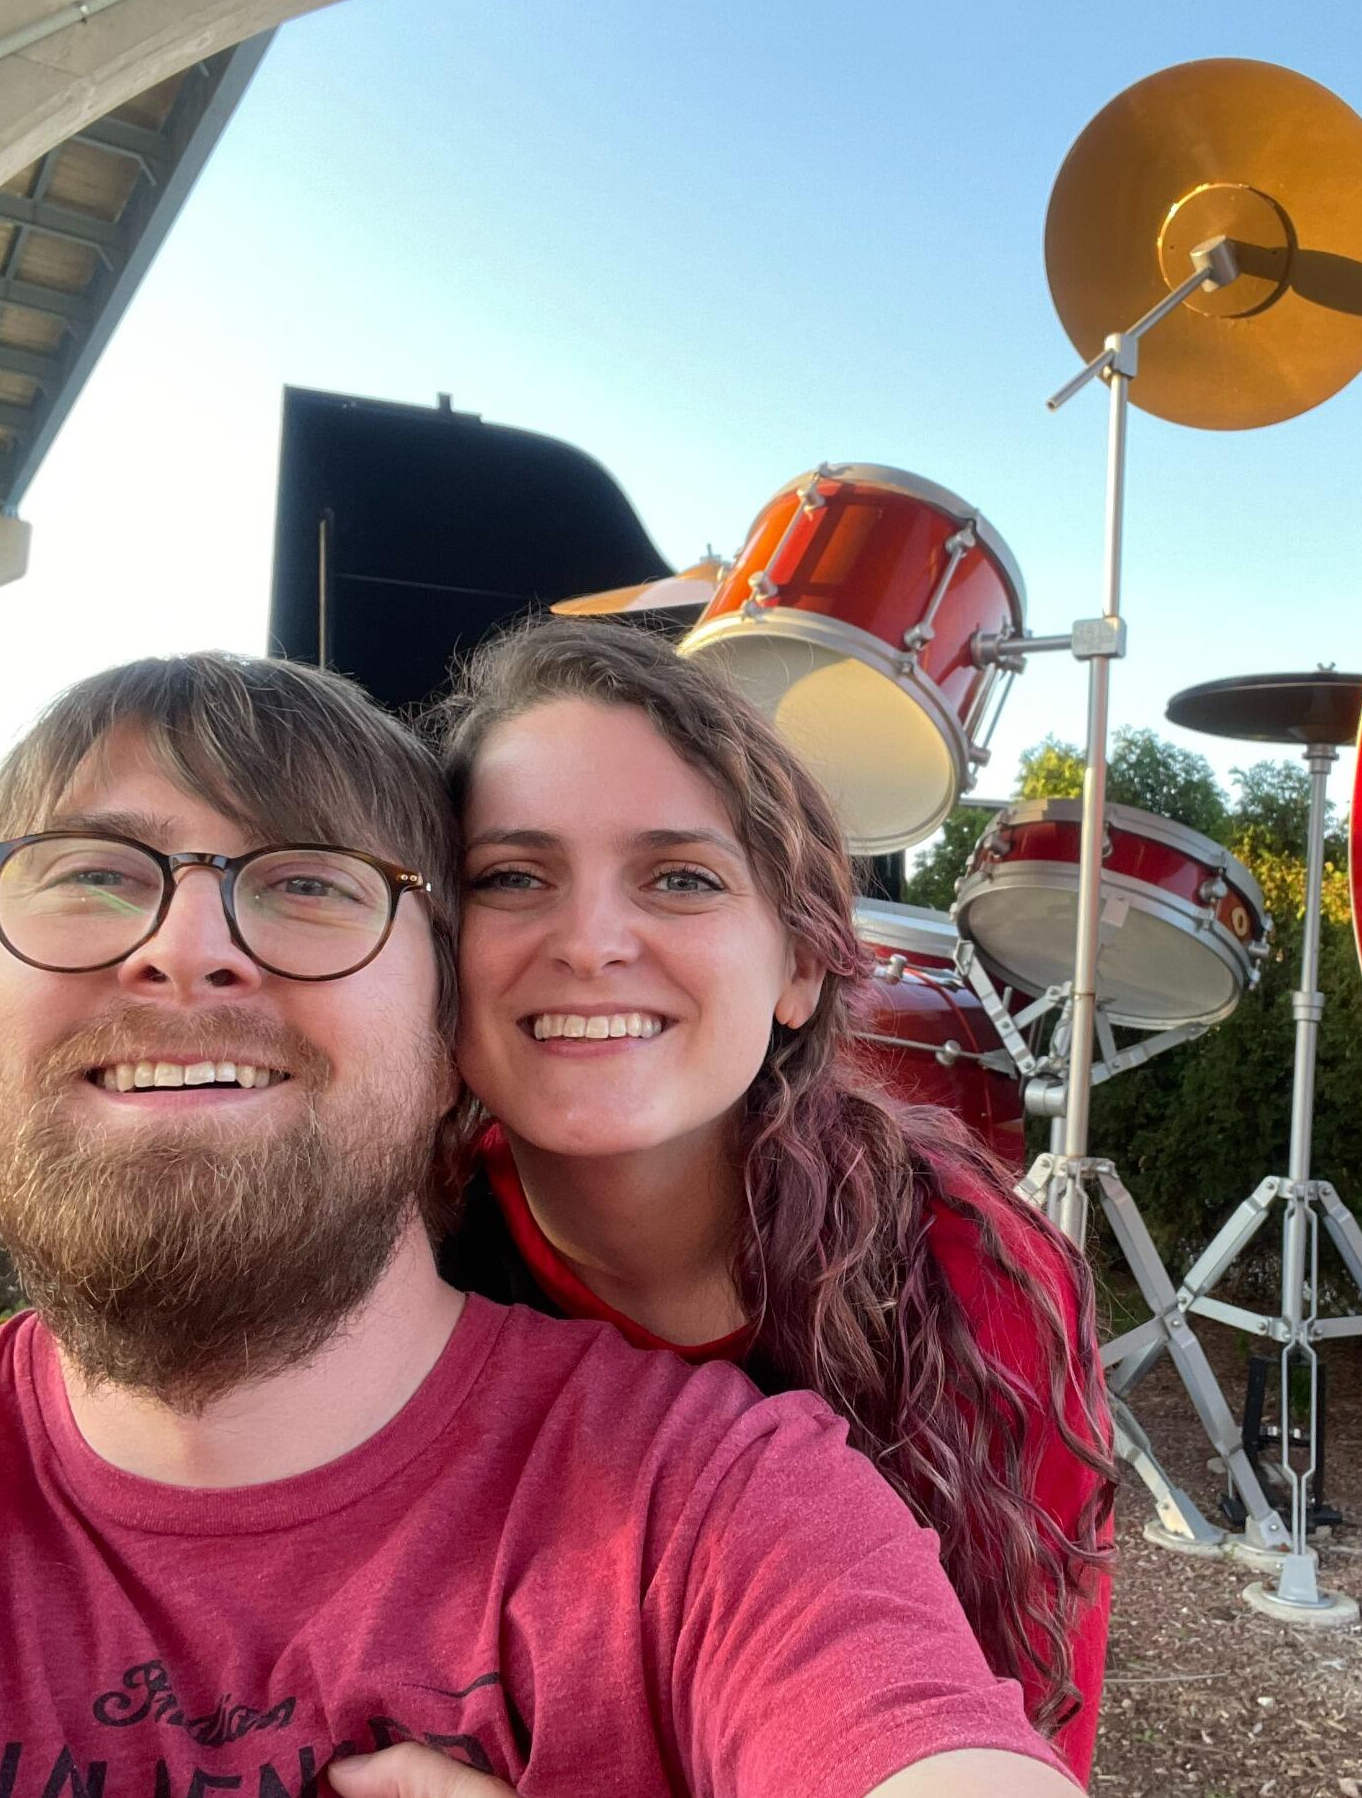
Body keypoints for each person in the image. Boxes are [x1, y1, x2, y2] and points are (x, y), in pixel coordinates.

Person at [0, 653, 1080, 1798]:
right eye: (92, 871)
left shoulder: (771, 1450)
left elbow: (988, 1707)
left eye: (307, 883)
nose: (188, 944)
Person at [428, 620, 1117, 1783]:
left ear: (798, 967)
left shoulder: (968, 1276)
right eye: (510, 876)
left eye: (681, 878)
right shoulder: (393, 1258)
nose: (591, 940)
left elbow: (1020, 1731)